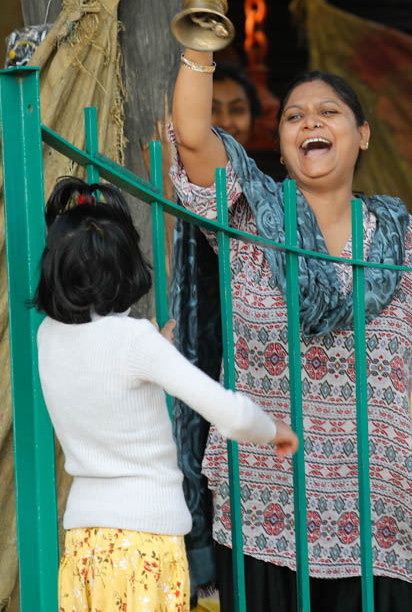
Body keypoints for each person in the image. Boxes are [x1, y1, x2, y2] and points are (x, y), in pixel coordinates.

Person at [170, 0, 412, 612]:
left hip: (378, 509)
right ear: (281, 145)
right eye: (295, 116)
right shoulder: (251, 219)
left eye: (327, 112)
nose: (310, 123)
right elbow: (193, 138)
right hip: (263, 504)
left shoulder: (404, 240)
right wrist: (202, 21)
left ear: (360, 135)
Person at [32, 176, 298, 612]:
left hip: (83, 543)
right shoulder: (137, 342)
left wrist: (156, 347)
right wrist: (273, 430)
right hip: (146, 541)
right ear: (129, 265)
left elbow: (102, 372)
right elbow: (225, 411)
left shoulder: (48, 336)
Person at [170, 59, 265, 603]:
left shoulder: (276, 193)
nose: (226, 118)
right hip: (201, 333)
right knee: (198, 437)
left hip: (259, 345)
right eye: (214, 108)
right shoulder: (192, 184)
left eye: (237, 109)